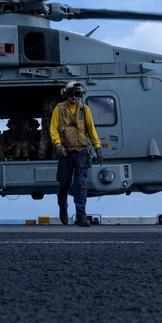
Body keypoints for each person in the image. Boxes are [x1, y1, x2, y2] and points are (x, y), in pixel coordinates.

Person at [50, 81, 102, 227]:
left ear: (80, 95)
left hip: (81, 152)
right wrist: (58, 144)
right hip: (65, 153)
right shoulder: (58, 109)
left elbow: (91, 129)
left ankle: (81, 215)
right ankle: (63, 208)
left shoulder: (85, 110)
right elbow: (53, 129)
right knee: (64, 185)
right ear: (66, 95)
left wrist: (97, 146)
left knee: (80, 184)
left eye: (77, 94)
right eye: (71, 94)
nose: (74, 97)